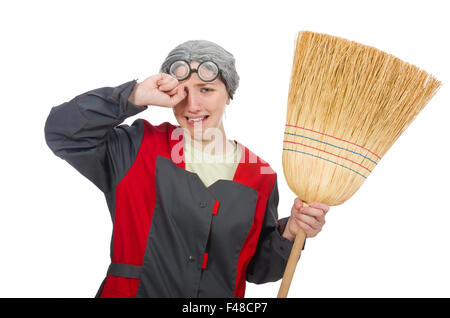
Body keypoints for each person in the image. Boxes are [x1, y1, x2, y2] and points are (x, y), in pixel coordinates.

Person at [44, 39, 329, 298]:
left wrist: (290, 233)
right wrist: (134, 95)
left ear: (228, 94)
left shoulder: (260, 175)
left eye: (206, 90)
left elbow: (254, 269)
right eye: (182, 92)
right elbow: (63, 132)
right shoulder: (137, 146)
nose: (192, 105)